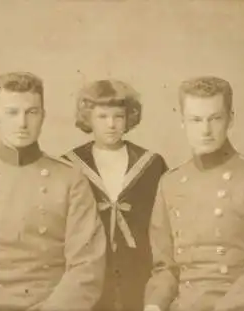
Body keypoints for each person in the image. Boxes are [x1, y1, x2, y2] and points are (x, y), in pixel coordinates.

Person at [0, 72, 106, 311]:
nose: (22, 123)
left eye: (31, 112)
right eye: (12, 113)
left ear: (43, 116)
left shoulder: (70, 178)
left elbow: (87, 266)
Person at [144, 76, 244, 311]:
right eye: (195, 120)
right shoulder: (170, 183)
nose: (205, 130)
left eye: (214, 119)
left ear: (230, 119)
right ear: (182, 122)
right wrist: (155, 304)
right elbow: (165, 268)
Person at [62, 79, 169, 311]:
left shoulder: (151, 164)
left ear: (128, 117)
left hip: (139, 272)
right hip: (89, 275)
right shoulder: (69, 165)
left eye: (118, 116)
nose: (111, 124)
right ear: (88, 117)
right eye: (102, 116)